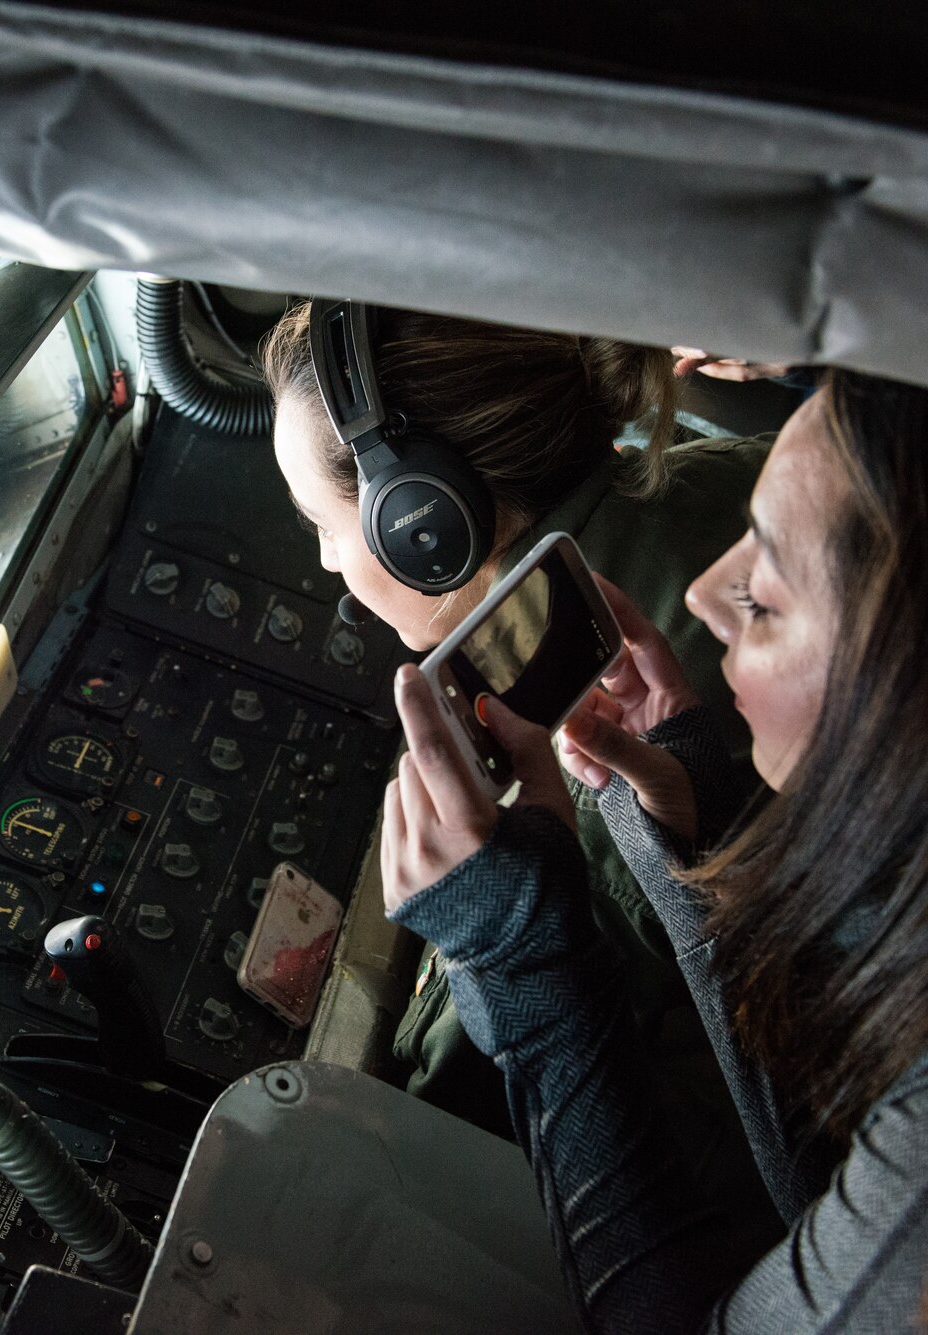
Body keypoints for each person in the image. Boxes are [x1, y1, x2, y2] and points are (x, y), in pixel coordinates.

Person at [381, 371, 928, 1330]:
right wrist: (697, 834)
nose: (707, 597)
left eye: (764, 597)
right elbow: (845, 1186)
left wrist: (521, 959)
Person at [262, 301, 775, 1230]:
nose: (333, 562)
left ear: (424, 525)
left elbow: (467, 1103)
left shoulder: (590, 734)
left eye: (325, 523)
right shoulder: (729, 475)